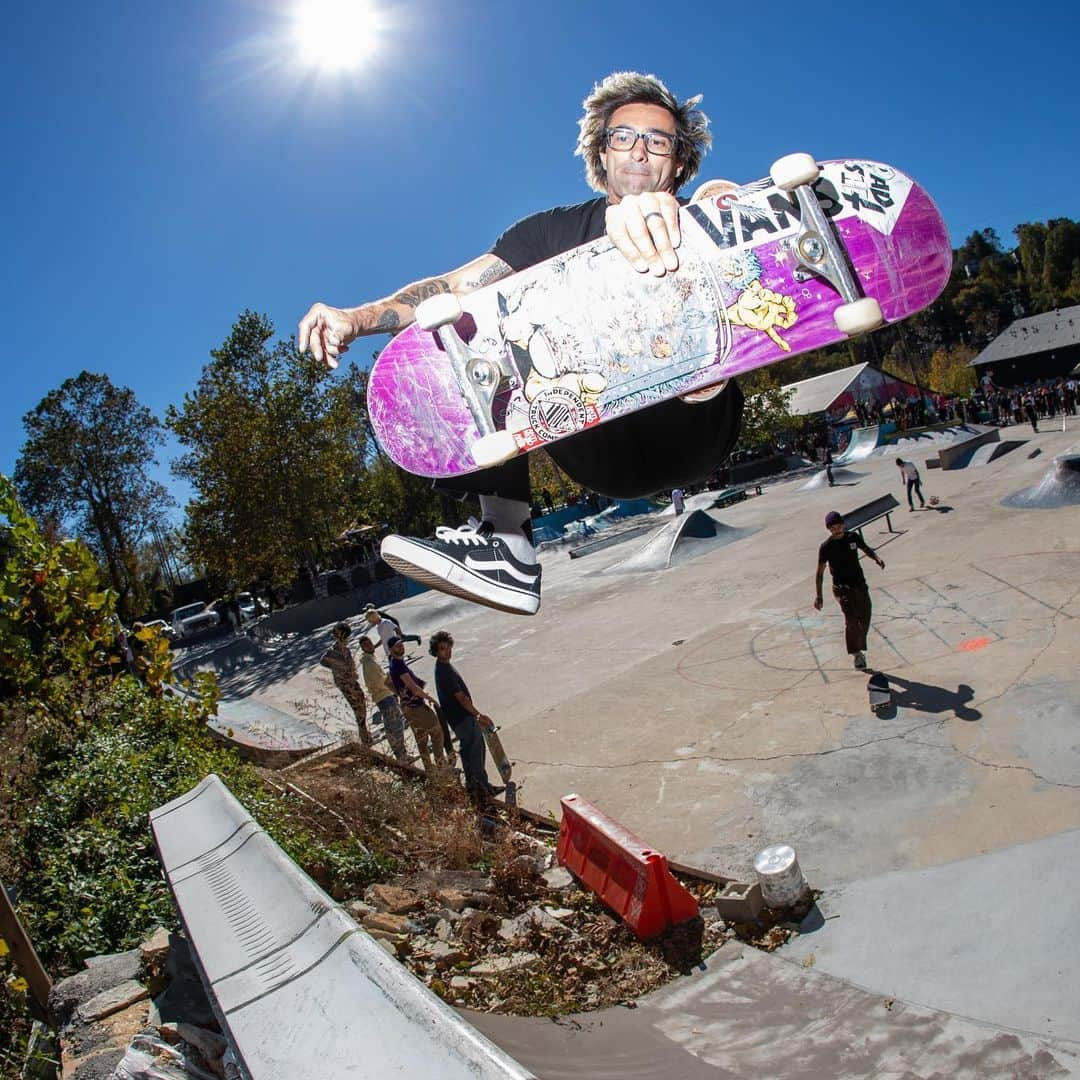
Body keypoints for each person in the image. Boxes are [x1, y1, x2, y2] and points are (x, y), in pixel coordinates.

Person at [299, 72, 746, 616]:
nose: (639, 152)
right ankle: (508, 543)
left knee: (699, 255)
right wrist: (354, 317)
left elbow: (728, 205)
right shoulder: (543, 236)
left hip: (692, 430)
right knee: (463, 324)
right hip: (598, 451)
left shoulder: (693, 210)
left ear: (677, 163)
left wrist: (715, 201)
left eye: (658, 142)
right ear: (601, 155)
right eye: (623, 137)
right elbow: (451, 287)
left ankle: (700, 371)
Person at [429, 630, 504, 803]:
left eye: (448, 647)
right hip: (462, 717)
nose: (447, 651)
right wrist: (478, 715)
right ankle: (483, 789)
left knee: (467, 751)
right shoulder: (444, 671)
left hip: (457, 719)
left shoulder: (443, 667)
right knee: (476, 751)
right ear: (436, 651)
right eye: (442, 649)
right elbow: (460, 697)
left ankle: (473, 787)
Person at [814, 511, 885, 670]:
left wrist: (876, 558)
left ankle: (859, 644)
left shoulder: (853, 538)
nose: (837, 530)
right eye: (833, 528)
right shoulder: (826, 547)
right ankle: (856, 654)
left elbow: (866, 549)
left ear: (843, 524)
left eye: (839, 526)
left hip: (859, 585)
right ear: (829, 530)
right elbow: (819, 573)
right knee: (851, 619)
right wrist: (819, 595)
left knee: (865, 617)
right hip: (841, 589)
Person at [387, 635, 447, 772]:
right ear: (390, 649)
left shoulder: (392, 661)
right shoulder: (398, 665)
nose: (401, 647)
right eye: (397, 646)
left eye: (401, 644)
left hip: (407, 706)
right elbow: (413, 687)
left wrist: (401, 695)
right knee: (437, 732)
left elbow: (388, 682)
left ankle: (429, 770)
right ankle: (441, 765)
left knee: (422, 738)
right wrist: (429, 698)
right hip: (416, 706)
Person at [358, 635, 410, 761]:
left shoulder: (370, 660)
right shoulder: (368, 663)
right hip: (383, 696)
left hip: (385, 694)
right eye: (366, 645)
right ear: (362, 648)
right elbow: (378, 681)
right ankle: (401, 755)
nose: (370, 646)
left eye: (370, 643)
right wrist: (391, 681)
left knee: (394, 724)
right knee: (394, 725)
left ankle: (401, 753)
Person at [320, 622, 373, 746]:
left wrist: (352, 671)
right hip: (345, 684)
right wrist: (338, 667)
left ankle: (364, 732)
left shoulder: (346, 649)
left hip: (351, 681)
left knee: (361, 704)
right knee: (357, 707)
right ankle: (364, 737)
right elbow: (323, 661)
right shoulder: (334, 649)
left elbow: (349, 664)